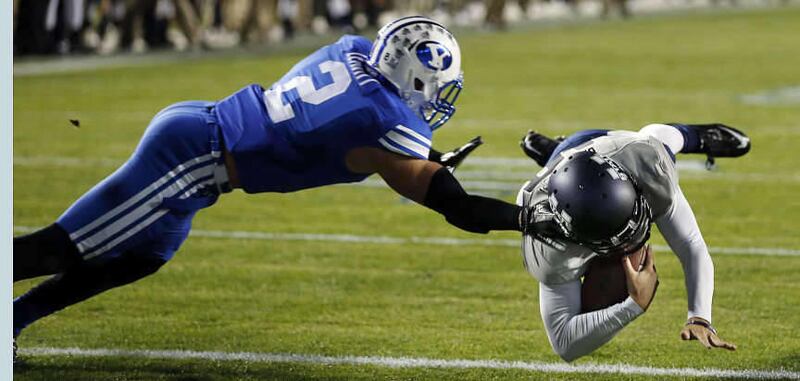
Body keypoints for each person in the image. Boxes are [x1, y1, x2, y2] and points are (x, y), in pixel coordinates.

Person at [13, 16, 533, 358]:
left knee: (141, 257)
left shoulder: (355, 52)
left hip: (199, 135)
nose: (440, 98)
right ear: (417, 78)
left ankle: (13, 320)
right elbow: (457, 207)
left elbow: (350, 134)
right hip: (191, 159)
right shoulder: (385, 121)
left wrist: (430, 158)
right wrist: (528, 217)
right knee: (58, 249)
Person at [517, 123, 750, 361]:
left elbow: (691, 244)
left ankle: (697, 136)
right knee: (621, 277)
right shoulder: (548, 244)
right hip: (567, 168)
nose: (627, 241)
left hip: (619, 150)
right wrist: (634, 304)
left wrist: (700, 316)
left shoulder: (647, 164)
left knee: (656, 136)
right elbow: (565, 344)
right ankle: (556, 151)